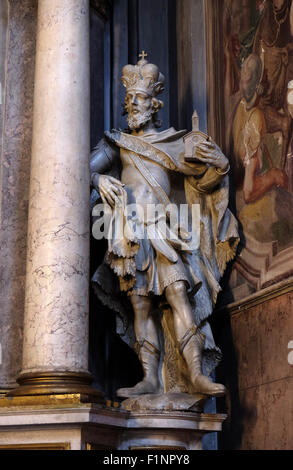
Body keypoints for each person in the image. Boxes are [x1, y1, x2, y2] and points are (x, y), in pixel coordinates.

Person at [90, 55, 239, 399]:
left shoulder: (176, 142)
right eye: (128, 100)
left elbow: (202, 186)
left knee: (178, 294)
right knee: (140, 304)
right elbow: (78, 170)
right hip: (129, 232)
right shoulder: (116, 142)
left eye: (138, 99)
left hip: (163, 230)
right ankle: (150, 378)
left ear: (154, 103)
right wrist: (98, 179)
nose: (131, 105)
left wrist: (220, 165)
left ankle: (196, 373)